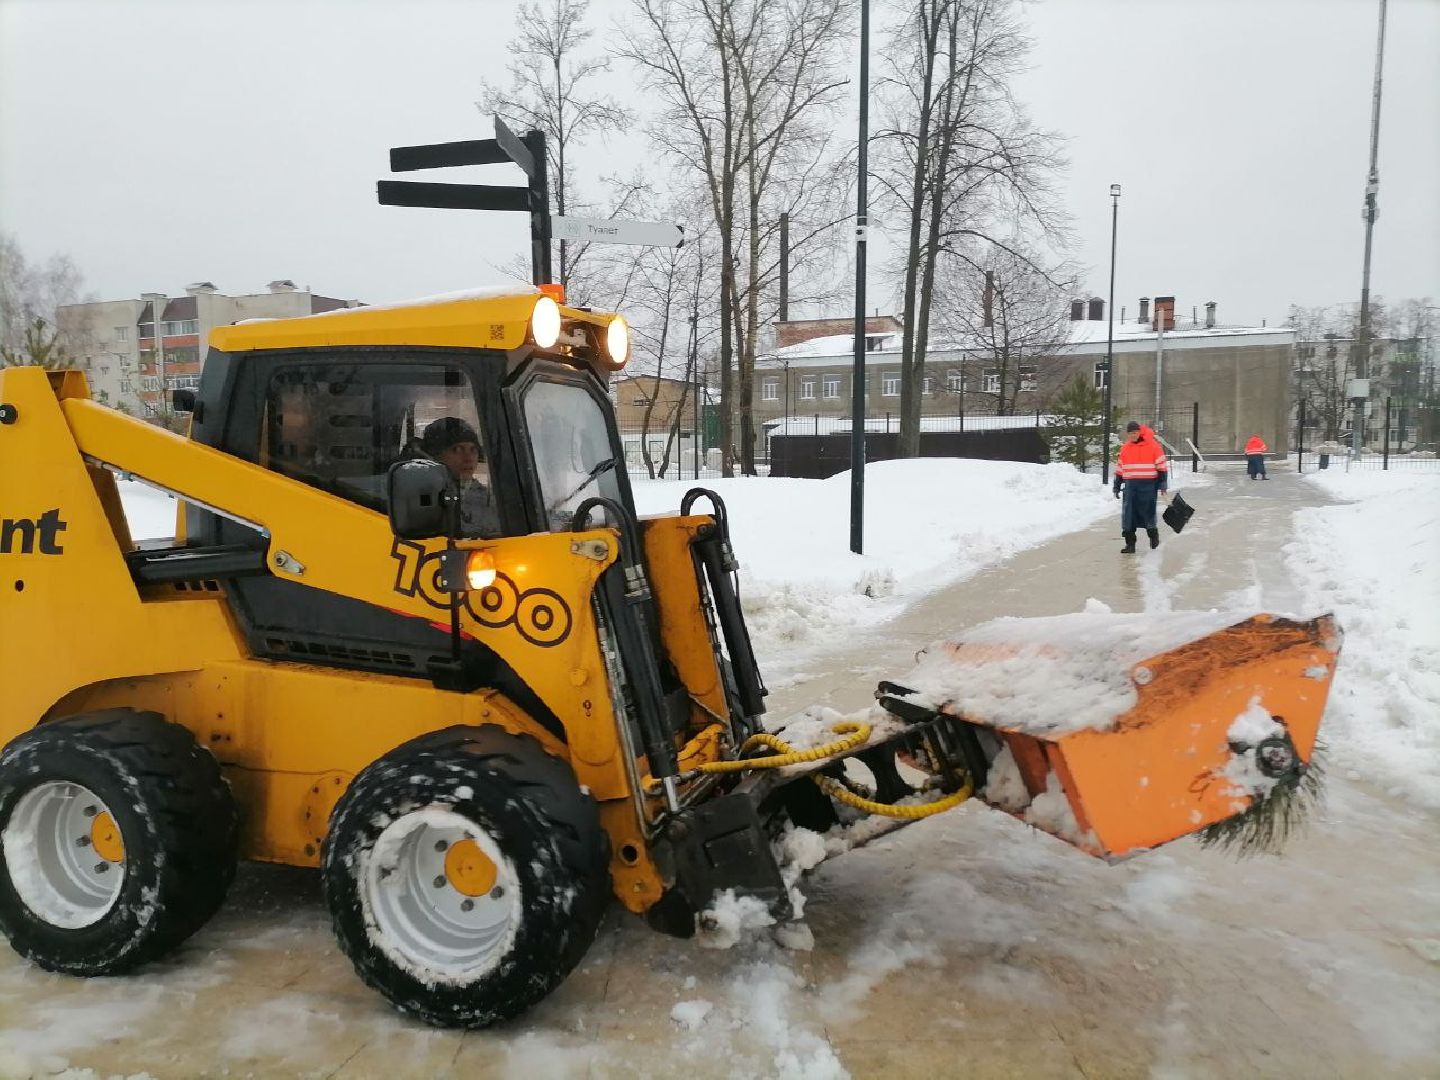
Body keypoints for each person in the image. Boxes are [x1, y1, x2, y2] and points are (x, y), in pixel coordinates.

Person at [420, 416, 501, 537]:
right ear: (436, 455)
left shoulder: (489, 499)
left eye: (473, 450)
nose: (468, 458)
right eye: (457, 450)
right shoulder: (422, 495)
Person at [1112, 420, 1169, 554]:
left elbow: (1161, 466)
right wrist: (1117, 485)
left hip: (1149, 486)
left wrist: (1163, 484)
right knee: (1128, 516)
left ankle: (1153, 537)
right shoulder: (1125, 448)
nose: (1133, 435)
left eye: (1135, 432)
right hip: (1131, 487)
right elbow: (1120, 468)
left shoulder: (1153, 446)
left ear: (1139, 432)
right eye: (1130, 433)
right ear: (1128, 434)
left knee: (1148, 513)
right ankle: (1130, 544)